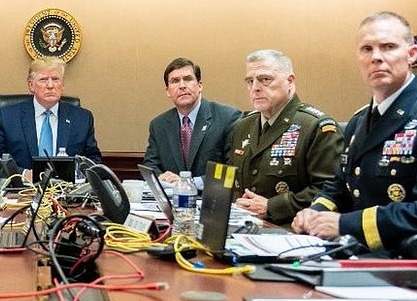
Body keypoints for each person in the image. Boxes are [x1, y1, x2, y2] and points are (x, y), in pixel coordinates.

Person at [292, 11, 417, 253]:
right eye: (366, 49)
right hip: (356, 255)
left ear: (412, 53)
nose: (376, 58)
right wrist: (315, 213)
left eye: (388, 47)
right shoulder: (360, 120)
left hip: (406, 265)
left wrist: (345, 224)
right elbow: (340, 186)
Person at [227, 49, 343, 225]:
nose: (256, 87)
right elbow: (232, 181)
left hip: (291, 229)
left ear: (290, 81)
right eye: (250, 81)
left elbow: (330, 190)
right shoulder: (242, 127)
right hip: (243, 227)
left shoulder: (315, 127)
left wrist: (272, 206)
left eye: (265, 79)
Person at [0, 57, 102, 177]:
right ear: (31, 85)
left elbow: (93, 161)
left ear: (62, 85)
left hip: (67, 192)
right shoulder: (7, 117)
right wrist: (24, 174)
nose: (50, 85)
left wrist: (75, 174)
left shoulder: (82, 118)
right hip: (21, 191)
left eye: (56, 79)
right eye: (43, 79)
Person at [143, 57, 241, 190]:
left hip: (211, 202)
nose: (182, 85)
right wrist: (163, 179)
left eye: (188, 79)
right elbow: (151, 166)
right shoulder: (159, 125)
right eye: (175, 81)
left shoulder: (227, 117)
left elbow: (232, 169)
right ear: (167, 91)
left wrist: (187, 183)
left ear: (200, 85)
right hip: (172, 201)